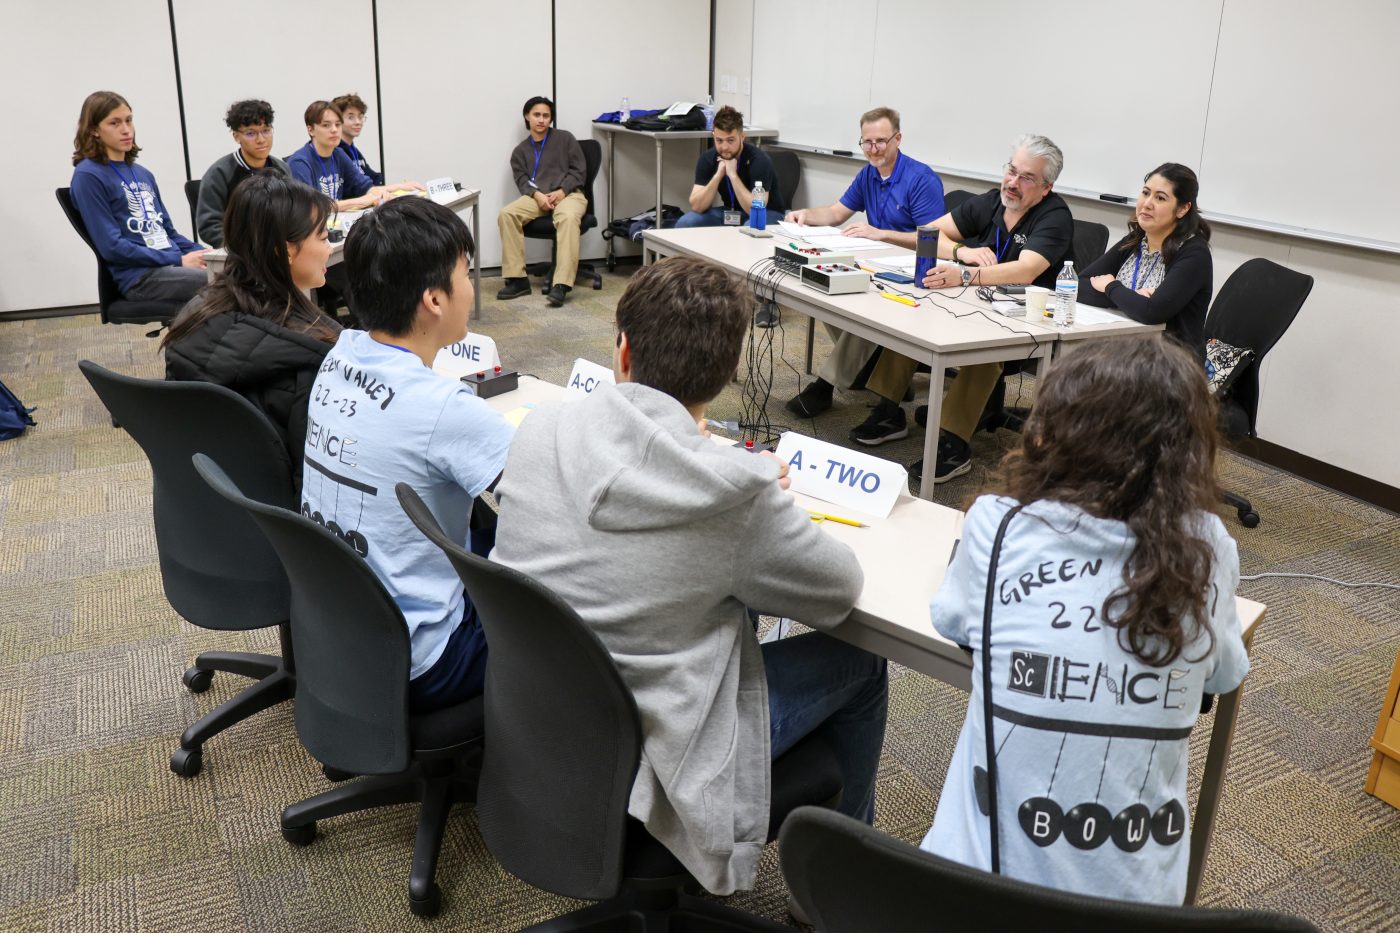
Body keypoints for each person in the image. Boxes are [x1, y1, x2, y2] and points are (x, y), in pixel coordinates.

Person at [491, 256, 889, 896]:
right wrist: (749, 486)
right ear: (728, 372)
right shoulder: (737, 499)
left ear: (622, 349)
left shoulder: (541, 427)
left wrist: (710, 462)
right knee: (862, 667)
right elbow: (839, 591)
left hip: (542, 718)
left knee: (725, 600)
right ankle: (841, 891)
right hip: (659, 761)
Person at [920, 336, 1249, 905]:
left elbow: (954, 621)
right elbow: (1221, 677)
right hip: (1136, 905)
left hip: (971, 890)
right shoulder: (1208, 549)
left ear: (1056, 430)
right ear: (1189, 449)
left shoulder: (998, 526)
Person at [300, 197, 513, 712]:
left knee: (485, 530)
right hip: (424, 660)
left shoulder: (340, 354)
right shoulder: (441, 408)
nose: (470, 286)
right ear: (434, 300)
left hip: (340, 632)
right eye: (466, 273)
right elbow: (559, 489)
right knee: (577, 588)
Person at [895, 134, 1073, 485]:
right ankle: (887, 411)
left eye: (1026, 178)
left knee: (985, 349)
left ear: (1046, 187)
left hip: (1029, 327)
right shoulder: (993, 202)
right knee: (914, 311)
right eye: (1012, 171)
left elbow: (1026, 270)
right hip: (980, 306)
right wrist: (961, 251)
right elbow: (929, 232)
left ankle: (954, 444)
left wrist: (963, 274)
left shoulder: (1055, 216)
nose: (1013, 183)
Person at [164, 174, 340, 493]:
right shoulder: (313, 360)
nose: (329, 248)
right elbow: (319, 487)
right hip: (284, 525)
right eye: (324, 236)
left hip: (210, 502)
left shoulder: (194, 314)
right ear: (285, 250)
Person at [781, 107, 944, 432]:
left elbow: (933, 240)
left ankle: (824, 387)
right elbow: (836, 212)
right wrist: (804, 215)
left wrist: (882, 233)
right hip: (875, 264)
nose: (873, 149)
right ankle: (875, 370)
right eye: (867, 142)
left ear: (898, 139)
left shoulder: (920, 179)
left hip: (915, 275)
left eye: (881, 141)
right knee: (826, 290)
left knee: (863, 311)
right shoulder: (869, 173)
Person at [69, 90, 208, 303]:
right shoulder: (88, 176)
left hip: (171, 264)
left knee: (241, 271)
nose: (126, 130)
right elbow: (112, 247)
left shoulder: (142, 173)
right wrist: (179, 259)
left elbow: (169, 232)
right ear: (95, 130)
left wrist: (208, 255)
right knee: (226, 282)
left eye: (128, 120)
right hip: (141, 278)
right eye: (114, 123)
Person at [1078, 163, 1213, 353]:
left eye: (1160, 198)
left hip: (1172, 364)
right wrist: (1131, 299)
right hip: (1126, 351)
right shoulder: (1134, 241)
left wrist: (1111, 287)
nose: (1147, 203)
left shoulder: (1194, 254)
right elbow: (1077, 286)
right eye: (1145, 193)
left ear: (1183, 209)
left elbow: (1152, 313)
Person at [496, 96, 588, 308]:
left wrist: (562, 191)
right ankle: (518, 280)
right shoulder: (520, 151)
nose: (541, 120)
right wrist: (537, 195)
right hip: (537, 197)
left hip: (569, 194)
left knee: (567, 216)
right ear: (527, 117)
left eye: (546, 116)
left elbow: (579, 170)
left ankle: (561, 285)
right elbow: (521, 180)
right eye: (537, 115)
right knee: (507, 214)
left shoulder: (565, 139)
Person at [285, 101, 421, 210]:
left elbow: (366, 187)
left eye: (338, 125)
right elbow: (313, 206)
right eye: (326, 125)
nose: (334, 130)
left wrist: (401, 187)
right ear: (311, 130)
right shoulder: (299, 162)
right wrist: (360, 201)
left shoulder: (338, 153)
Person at [195, 99, 292, 247]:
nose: (261, 140)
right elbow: (210, 227)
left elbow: (293, 212)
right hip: (241, 253)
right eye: (251, 133)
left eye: (266, 130)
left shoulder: (281, 168)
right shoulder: (219, 174)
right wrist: (244, 248)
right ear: (236, 136)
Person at [676, 105, 784, 228]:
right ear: (713, 136)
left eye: (730, 140)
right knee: (686, 222)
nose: (724, 147)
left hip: (767, 213)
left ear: (742, 137)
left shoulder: (759, 160)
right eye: (719, 140)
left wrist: (732, 175)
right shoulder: (708, 158)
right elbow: (697, 206)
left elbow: (754, 209)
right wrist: (718, 175)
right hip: (731, 212)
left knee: (750, 226)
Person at [333, 92, 385, 186]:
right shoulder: (335, 151)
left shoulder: (354, 150)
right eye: (351, 117)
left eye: (360, 117)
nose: (358, 122)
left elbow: (372, 176)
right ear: (337, 120)